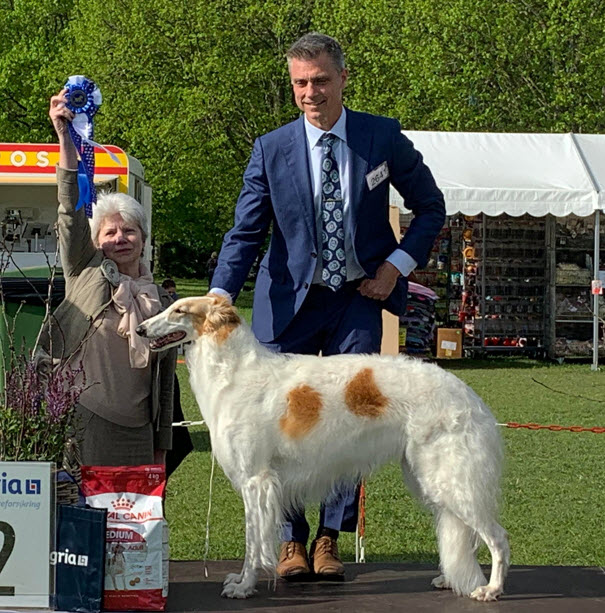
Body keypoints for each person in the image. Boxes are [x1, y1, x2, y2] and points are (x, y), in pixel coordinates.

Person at [210, 33, 446, 579]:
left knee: (349, 421)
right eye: (300, 83)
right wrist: (221, 291)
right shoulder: (270, 148)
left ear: (342, 78)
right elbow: (245, 233)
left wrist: (395, 267)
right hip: (286, 304)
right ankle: (290, 543)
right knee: (285, 426)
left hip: (358, 300)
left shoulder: (381, 137)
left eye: (319, 80)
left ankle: (327, 540)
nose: (310, 93)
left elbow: (431, 207)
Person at [42, 89, 177, 466]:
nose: (120, 238)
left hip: (138, 433)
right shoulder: (84, 269)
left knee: (132, 525)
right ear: (97, 240)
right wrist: (64, 137)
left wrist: (161, 444)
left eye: (129, 231)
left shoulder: (163, 302)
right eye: (110, 232)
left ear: (144, 238)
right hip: (82, 421)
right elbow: (70, 207)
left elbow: (165, 383)